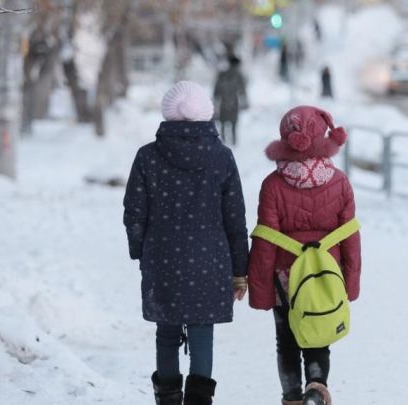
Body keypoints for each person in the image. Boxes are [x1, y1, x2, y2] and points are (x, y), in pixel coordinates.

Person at [123, 81, 249, 405]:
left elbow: (134, 213)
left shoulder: (148, 157)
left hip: (162, 258)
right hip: (210, 261)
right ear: (206, 113)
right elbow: (235, 219)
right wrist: (240, 271)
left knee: (166, 333)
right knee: (202, 332)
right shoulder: (221, 157)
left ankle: (166, 400)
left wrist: (141, 252)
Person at [247, 106, 362, 405]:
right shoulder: (339, 182)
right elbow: (350, 236)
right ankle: (316, 387)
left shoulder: (272, 185)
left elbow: (264, 241)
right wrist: (351, 282)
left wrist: (260, 291)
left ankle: (292, 397)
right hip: (326, 274)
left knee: (286, 342)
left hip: (285, 278)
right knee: (318, 336)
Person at [214, 56, 248, 146]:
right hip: (234, 102)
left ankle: (223, 140)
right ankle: (234, 141)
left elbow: (216, 90)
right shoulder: (239, 75)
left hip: (223, 102)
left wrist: (216, 99)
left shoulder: (222, 74)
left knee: (223, 122)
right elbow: (243, 90)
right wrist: (245, 102)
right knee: (234, 123)